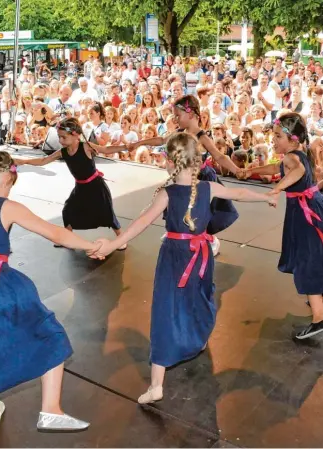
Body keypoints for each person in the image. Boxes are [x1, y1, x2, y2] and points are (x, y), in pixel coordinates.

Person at [91, 132, 277, 404]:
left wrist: (112, 244)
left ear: (169, 162)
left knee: (167, 310)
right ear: (199, 163)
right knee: (198, 300)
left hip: (176, 259)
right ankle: (191, 345)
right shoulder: (206, 188)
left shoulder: (167, 194)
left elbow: (140, 223)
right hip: (200, 257)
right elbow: (239, 192)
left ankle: (158, 383)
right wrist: (265, 197)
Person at [0, 151, 101, 433]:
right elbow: (56, 234)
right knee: (49, 335)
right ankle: (51, 409)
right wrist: (90, 246)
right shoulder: (5, 206)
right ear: (6, 178)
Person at [124, 95, 241, 255]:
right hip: (182, 178)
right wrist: (140, 143)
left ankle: (209, 239)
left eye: (178, 116)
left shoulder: (202, 136)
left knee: (199, 212)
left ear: (191, 114)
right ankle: (177, 230)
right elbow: (161, 140)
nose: (175, 119)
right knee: (178, 206)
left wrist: (237, 170)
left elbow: (219, 156)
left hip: (201, 178)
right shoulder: (179, 132)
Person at [240, 113, 323, 339]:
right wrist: (252, 170)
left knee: (307, 259)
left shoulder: (293, 158)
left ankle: (319, 317)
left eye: (277, 136)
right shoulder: (295, 153)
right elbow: (277, 167)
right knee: (313, 254)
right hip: (310, 207)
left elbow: (298, 172)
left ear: (293, 139)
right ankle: (318, 297)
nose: (273, 141)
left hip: (305, 214)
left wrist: (277, 189)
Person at [16, 118, 126, 249]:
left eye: (63, 137)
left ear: (75, 135)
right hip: (80, 187)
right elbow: (43, 160)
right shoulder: (63, 152)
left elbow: (106, 150)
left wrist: (126, 146)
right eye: (59, 137)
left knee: (106, 212)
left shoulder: (85, 146)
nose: (60, 141)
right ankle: (67, 237)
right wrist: (23, 161)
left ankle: (121, 238)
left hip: (96, 186)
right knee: (68, 210)